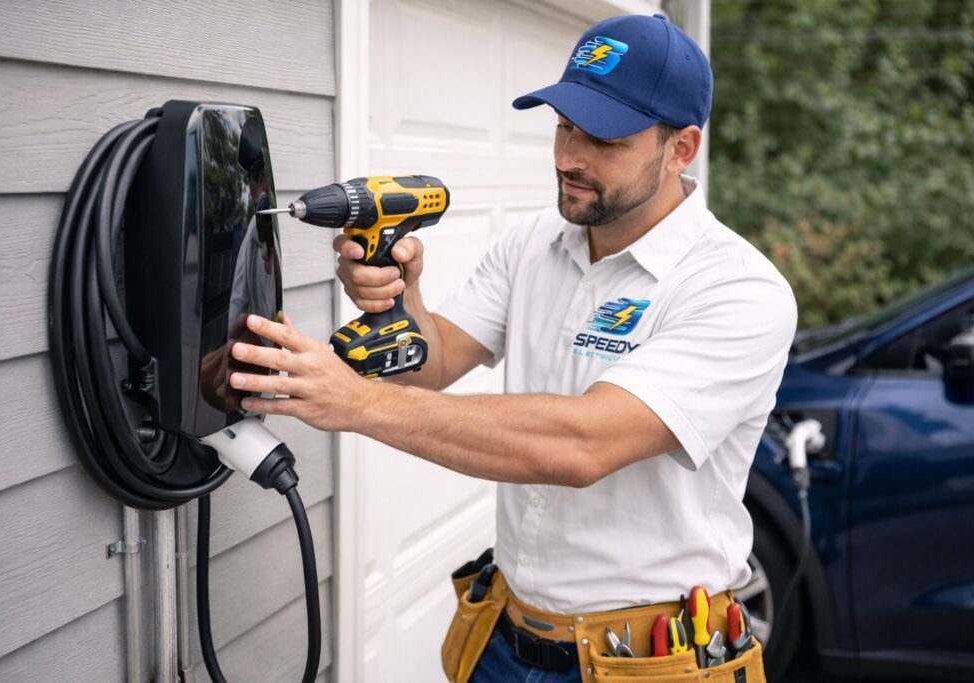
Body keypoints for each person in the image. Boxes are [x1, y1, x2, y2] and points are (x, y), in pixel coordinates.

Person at [228, 13, 794, 683]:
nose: (569, 157)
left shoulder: (737, 289)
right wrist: (398, 296)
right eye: (564, 125)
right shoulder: (532, 245)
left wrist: (354, 401)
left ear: (681, 148)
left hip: (652, 662)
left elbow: (582, 446)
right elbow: (435, 360)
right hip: (504, 637)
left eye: (603, 138)